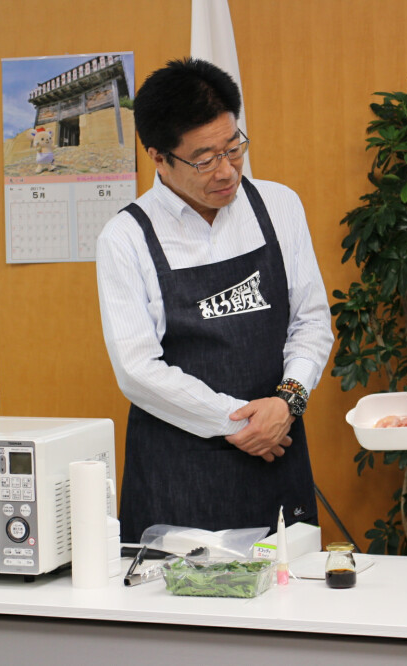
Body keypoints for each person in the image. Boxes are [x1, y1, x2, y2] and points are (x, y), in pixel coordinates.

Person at [96, 58, 334, 543]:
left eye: (234, 148)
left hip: (278, 445)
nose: (226, 171)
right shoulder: (125, 237)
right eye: (205, 160)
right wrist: (240, 422)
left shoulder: (278, 205)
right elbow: (137, 369)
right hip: (179, 471)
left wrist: (287, 403)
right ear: (158, 156)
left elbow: (311, 322)